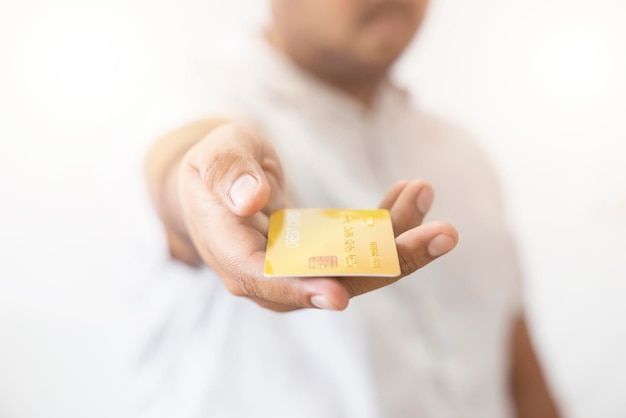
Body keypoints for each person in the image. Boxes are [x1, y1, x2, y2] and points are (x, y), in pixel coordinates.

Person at [140, 0, 560, 417]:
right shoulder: (186, 107)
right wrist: (215, 185)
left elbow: (514, 354)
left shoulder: (463, 152)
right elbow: (183, 172)